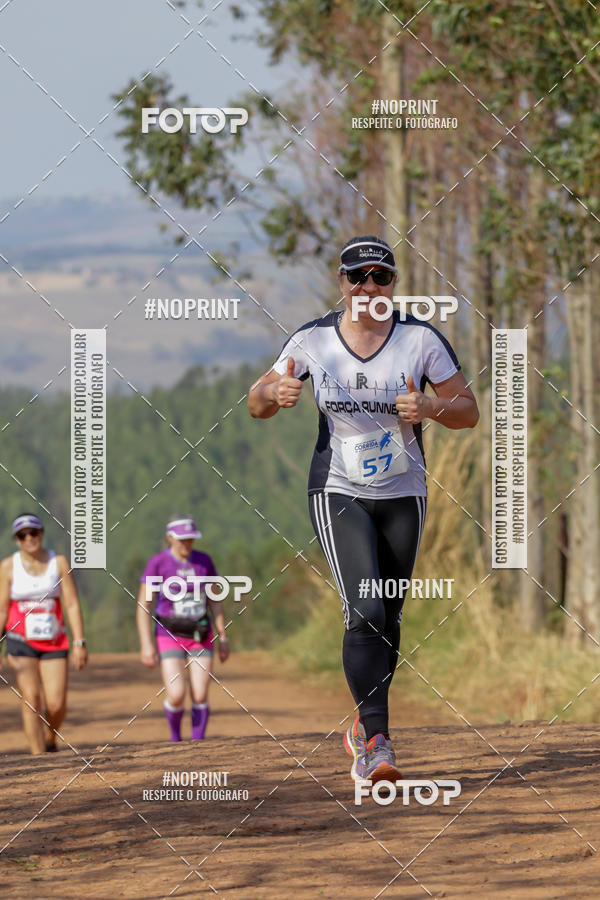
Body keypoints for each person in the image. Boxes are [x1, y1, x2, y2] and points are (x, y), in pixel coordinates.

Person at [248, 235, 479, 783]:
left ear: (393, 284)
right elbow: (257, 399)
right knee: (367, 609)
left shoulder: (420, 340)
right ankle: (377, 740)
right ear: (342, 283)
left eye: (381, 277)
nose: (369, 287)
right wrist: (274, 396)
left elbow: (467, 411)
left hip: (404, 492)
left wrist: (430, 405)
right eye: (357, 277)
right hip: (339, 490)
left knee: (390, 616)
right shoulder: (313, 341)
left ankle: (364, 724)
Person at [137, 514, 230, 742]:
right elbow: (144, 606)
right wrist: (146, 645)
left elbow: (215, 601)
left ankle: (198, 744)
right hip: (168, 635)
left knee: (199, 692)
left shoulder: (204, 562)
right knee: (176, 694)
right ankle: (175, 740)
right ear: (170, 538)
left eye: (190, 539)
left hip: (200, 633)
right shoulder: (158, 563)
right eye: (182, 540)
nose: (187, 544)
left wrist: (223, 635)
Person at [0, 513, 88, 754]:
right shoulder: (8, 566)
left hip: (54, 641)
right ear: (17, 539)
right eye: (22, 535)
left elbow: (71, 603)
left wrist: (79, 641)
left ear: (41, 534)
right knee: (31, 698)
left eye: (33, 533)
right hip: (20, 641)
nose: (29, 538)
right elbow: (1, 609)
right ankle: (38, 759)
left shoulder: (58, 562)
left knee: (56, 704)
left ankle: (50, 738)